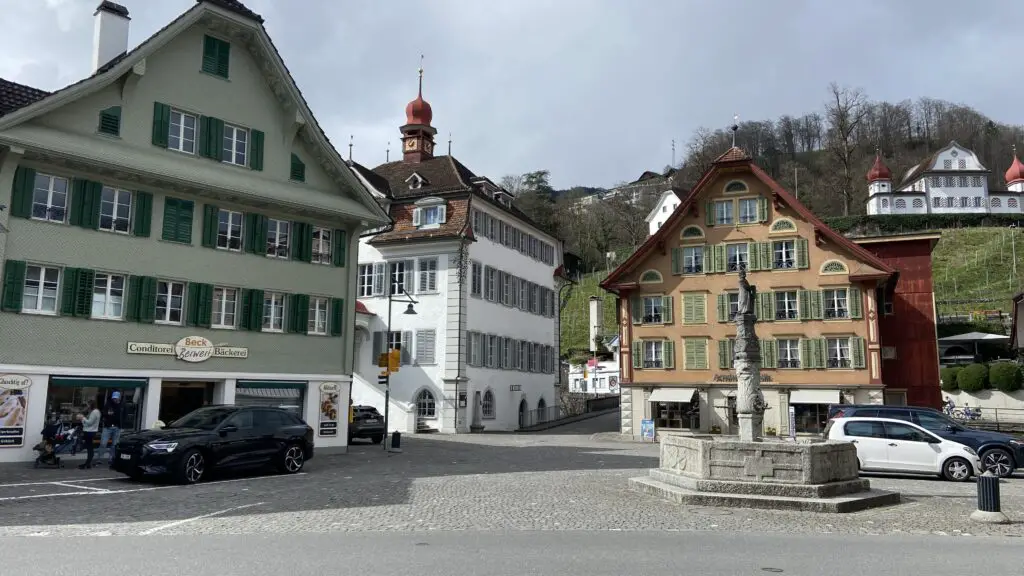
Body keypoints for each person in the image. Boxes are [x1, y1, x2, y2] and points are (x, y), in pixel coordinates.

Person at [98, 391, 123, 466]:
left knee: (114, 444)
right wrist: (107, 414)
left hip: (117, 427)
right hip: (108, 427)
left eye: (116, 398)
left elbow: (124, 416)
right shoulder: (108, 404)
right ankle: (99, 459)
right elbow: (103, 413)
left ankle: (111, 458)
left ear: (119, 398)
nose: (115, 400)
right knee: (103, 443)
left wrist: (122, 426)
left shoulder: (122, 406)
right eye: (114, 398)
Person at [79, 400, 100, 469]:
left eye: (88, 405)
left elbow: (89, 422)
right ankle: (87, 463)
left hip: (90, 432)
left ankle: (88, 463)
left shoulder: (94, 412)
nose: (87, 406)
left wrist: (83, 418)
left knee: (90, 448)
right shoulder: (94, 412)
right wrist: (83, 420)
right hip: (89, 431)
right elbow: (87, 423)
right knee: (89, 447)